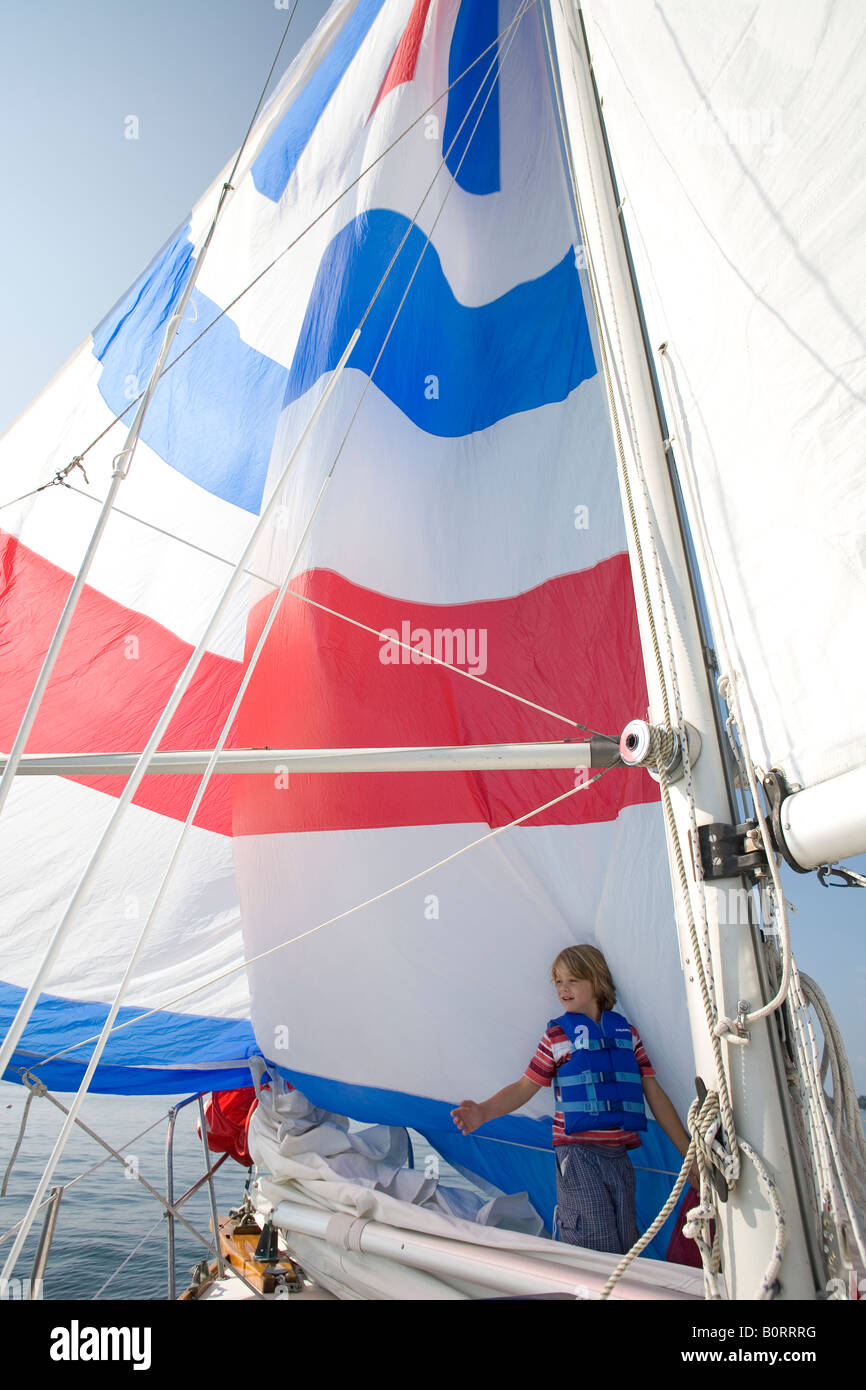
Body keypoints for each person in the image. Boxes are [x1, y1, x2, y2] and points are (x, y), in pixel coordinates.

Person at [450, 943, 695, 1255]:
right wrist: (483, 1111)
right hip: (578, 1158)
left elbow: (654, 1093)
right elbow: (525, 1087)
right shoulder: (557, 1038)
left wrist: (687, 1153)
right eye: (558, 982)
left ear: (597, 981)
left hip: (619, 1158)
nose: (563, 989)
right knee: (593, 1245)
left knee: (625, 1243)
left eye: (573, 980)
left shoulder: (627, 1034)